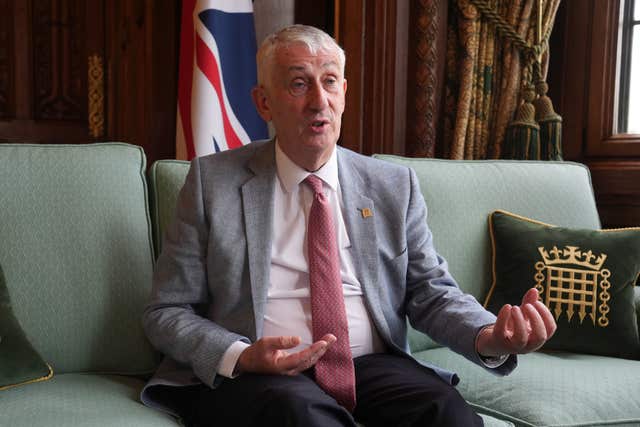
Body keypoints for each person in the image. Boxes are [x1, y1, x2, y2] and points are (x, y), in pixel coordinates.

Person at [141, 24, 556, 427]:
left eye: (330, 82)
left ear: (344, 92)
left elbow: (430, 293)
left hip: (371, 366)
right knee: (301, 415)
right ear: (264, 103)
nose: (319, 101)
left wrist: (489, 335)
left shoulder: (392, 185)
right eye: (299, 84)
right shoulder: (213, 183)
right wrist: (241, 355)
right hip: (262, 374)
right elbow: (167, 310)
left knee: (446, 412)